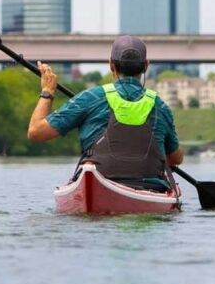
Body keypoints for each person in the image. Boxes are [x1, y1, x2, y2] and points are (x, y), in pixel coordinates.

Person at [27, 35, 184, 191]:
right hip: (151, 187)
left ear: (111, 65)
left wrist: (47, 91)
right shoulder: (161, 106)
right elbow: (175, 158)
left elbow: (36, 132)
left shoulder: (89, 98)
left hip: (97, 183)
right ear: (146, 66)